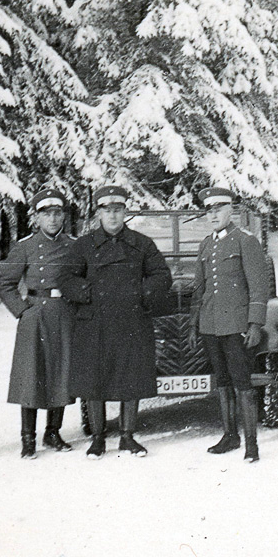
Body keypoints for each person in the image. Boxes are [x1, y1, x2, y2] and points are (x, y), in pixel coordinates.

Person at [60, 185, 172, 459]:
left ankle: (127, 437)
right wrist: (89, 292)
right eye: (107, 210)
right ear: (98, 212)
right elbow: (66, 279)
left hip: (131, 321)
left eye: (117, 210)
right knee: (94, 381)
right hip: (94, 323)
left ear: (125, 212)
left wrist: (141, 293)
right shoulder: (83, 245)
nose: (112, 215)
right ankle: (98, 439)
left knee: (130, 378)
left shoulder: (142, 243)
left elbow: (161, 275)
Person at [188, 187, 270, 463]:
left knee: (242, 383)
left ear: (230, 210)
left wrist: (255, 323)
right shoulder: (205, 244)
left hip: (236, 326)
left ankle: (251, 444)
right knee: (222, 382)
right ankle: (229, 435)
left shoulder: (245, 241)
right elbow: (199, 288)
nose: (213, 215)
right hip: (211, 325)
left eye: (218, 209)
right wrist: (194, 324)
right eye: (209, 211)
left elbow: (259, 286)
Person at [0, 189, 76, 459]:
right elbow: (5, 283)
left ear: (63, 216)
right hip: (35, 315)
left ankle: (53, 432)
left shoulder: (73, 245)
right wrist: (21, 311)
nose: (53, 219)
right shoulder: (26, 246)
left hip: (64, 315)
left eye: (57, 213)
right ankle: (27, 438)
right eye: (46, 214)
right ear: (36, 217)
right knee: (31, 375)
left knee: (61, 372)